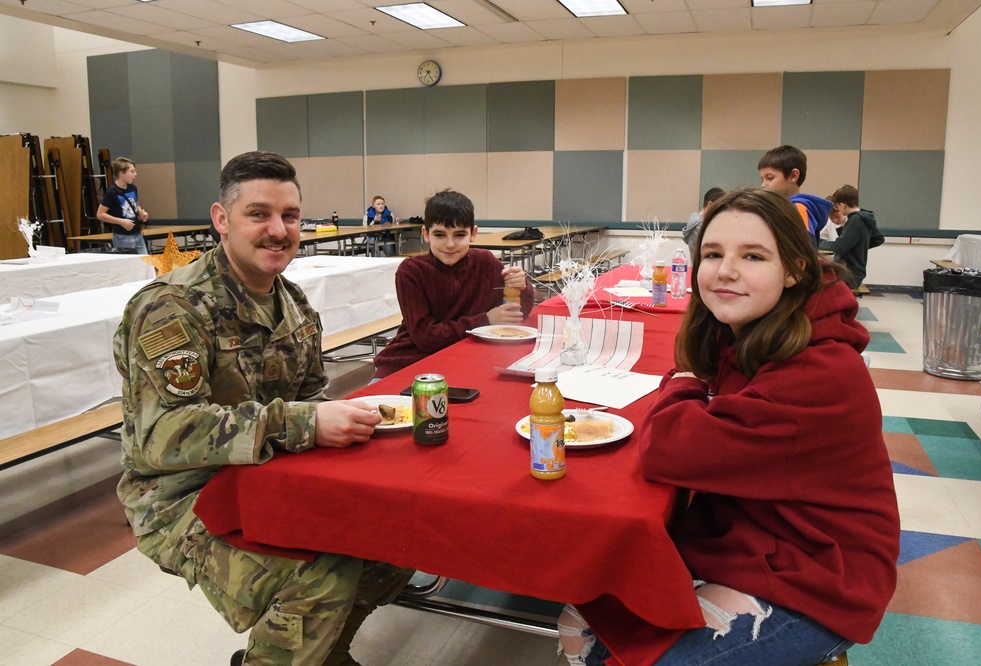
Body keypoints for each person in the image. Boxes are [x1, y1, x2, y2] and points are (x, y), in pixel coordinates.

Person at [558, 189, 899, 666]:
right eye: (713, 254)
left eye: (753, 256)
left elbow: (669, 450)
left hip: (819, 575)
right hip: (750, 537)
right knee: (581, 618)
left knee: (607, 645)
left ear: (795, 269)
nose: (726, 271)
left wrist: (684, 382)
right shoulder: (755, 331)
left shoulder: (821, 371)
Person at [113, 151, 412, 666]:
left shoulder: (294, 304)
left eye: (290, 216)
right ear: (221, 220)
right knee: (321, 573)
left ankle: (322, 654)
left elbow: (312, 398)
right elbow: (162, 436)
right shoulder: (172, 308)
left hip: (269, 475)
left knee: (395, 541)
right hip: (181, 497)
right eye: (259, 214)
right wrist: (304, 423)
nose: (279, 230)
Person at [372, 189, 534, 379]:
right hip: (406, 363)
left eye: (459, 235)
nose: (450, 244)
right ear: (426, 234)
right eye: (440, 235)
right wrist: (485, 319)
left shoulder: (486, 262)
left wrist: (522, 287)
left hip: (463, 361)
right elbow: (426, 337)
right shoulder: (411, 271)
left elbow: (518, 312)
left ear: (473, 234)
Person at [758, 145, 833, 248]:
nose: (763, 185)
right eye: (762, 179)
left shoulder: (799, 210)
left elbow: (805, 252)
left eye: (770, 178)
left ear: (793, 176)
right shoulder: (780, 209)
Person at [820, 184, 885, 289]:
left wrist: (818, 242)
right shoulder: (864, 217)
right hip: (856, 273)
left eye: (837, 207)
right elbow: (878, 239)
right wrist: (858, 248)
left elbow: (838, 247)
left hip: (850, 274)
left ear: (843, 205)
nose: (838, 210)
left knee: (815, 278)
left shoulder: (855, 220)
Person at [97, 157, 149, 254]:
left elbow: (135, 205)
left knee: (145, 263)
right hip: (122, 237)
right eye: (132, 171)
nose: (135, 175)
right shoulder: (111, 192)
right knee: (128, 266)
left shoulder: (133, 188)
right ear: (122, 173)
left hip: (137, 233)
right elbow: (100, 214)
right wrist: (120, 221)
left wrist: (141, 213)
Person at [681, 187, 725, 258]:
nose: (721, 212)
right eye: (719, 209)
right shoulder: (699, 225)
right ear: (710, 204)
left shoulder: (695, 218)